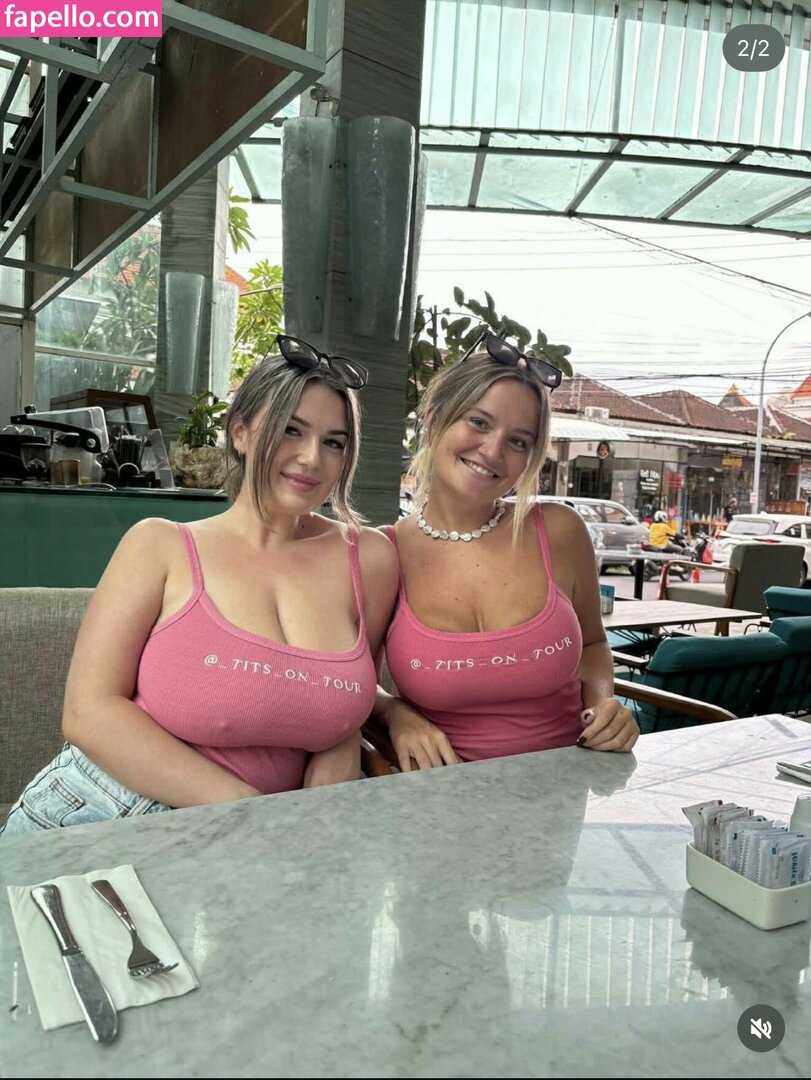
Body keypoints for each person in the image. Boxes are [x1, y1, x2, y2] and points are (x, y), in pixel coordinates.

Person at [1, 336, 399, 836]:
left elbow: (349, 699)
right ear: (240, 434)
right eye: (290, 430)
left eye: (333, 442)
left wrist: (354, 742)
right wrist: (252, 812)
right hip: (106, 808)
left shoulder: (369, 559)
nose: (311, 458)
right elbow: (87, 713)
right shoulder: (158, 545)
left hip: (258, 836)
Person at [371, 332, 639, 771]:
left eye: (518, 441)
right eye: (478, 423)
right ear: (435, 419)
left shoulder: (560, 530)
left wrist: (604, 705)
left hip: (567, 785)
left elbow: (593, 643)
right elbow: (356, 685)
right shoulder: (383, 554)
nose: (493, 451)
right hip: (437, 796)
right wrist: (395, 714)